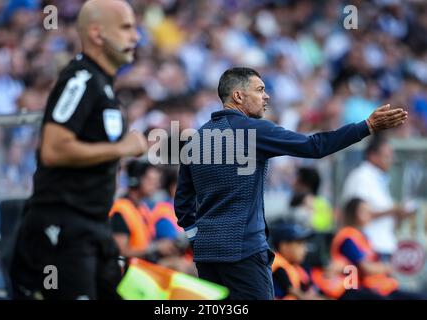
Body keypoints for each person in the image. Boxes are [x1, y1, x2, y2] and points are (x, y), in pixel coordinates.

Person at [174, 67, 408, 300]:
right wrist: (365, 127)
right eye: (260, 90)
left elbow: (183, 202)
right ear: (238, 96)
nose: (266, 96)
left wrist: (196, 238)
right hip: (244, 251)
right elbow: (315, 146)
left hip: (207, 255)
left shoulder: (196, 139)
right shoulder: (254, 130)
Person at [10, 0, 147, 300]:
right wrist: (121, 148)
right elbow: (53, 149)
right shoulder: (80, 79)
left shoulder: (105, 87)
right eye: (126, 27)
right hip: (63, 226)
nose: (136, 36)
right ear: (97, 34)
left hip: (94, 227)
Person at [331, 198, 426, 300]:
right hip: (352, 290)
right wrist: (386, 268)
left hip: (375, 287)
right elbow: (366, 268)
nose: (369, 214)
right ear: (354, 213)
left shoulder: (362, 236)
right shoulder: (347, 238)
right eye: (364, 211)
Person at [341, 135, 413, 261]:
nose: (391, 160)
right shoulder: (361, 176)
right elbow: (358, 213)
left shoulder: (378, 178)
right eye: (387, 156)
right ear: (372, 156)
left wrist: (397, 213)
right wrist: (393, 210)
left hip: (383, 245)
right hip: (369, 247)